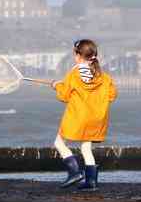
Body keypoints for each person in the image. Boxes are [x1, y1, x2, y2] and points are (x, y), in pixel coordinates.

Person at [50, 39, 117, 191]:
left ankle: (74, 172)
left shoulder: (74, 73)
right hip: (97, 119)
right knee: (86, 148)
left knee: (59, 143)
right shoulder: (103, 76)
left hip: (78, 117)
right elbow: (112, 95)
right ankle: (91, 182)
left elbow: (64, 96)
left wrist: (56, 85)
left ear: (78, 55)